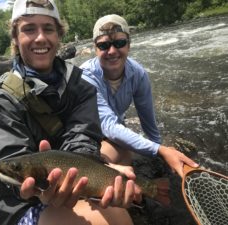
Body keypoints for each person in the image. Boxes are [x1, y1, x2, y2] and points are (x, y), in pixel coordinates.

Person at [0, 2, 136, 225]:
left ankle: (108, 190)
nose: (40, 37)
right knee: (116, 219)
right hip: (24, 201)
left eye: (48, 28)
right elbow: (7, 169)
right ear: (15, 37)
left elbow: (82, 137)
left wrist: (90, 173)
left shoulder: (79, 84)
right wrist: (34, 189)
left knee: (121, 149)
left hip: (66, 172)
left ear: (59, 35)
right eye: (29, 29)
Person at [80, 14, 199, 177]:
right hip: (86, 136)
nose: (112, 51)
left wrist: (161, 154)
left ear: (129, 45)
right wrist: (160, 150)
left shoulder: (138, 74)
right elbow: (108, 125)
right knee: (110, 161)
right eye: (104, 45)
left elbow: (148, 121)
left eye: (119, 43)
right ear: (95, 49)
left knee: (125, 158)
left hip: (112, 135)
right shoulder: (86, 77)